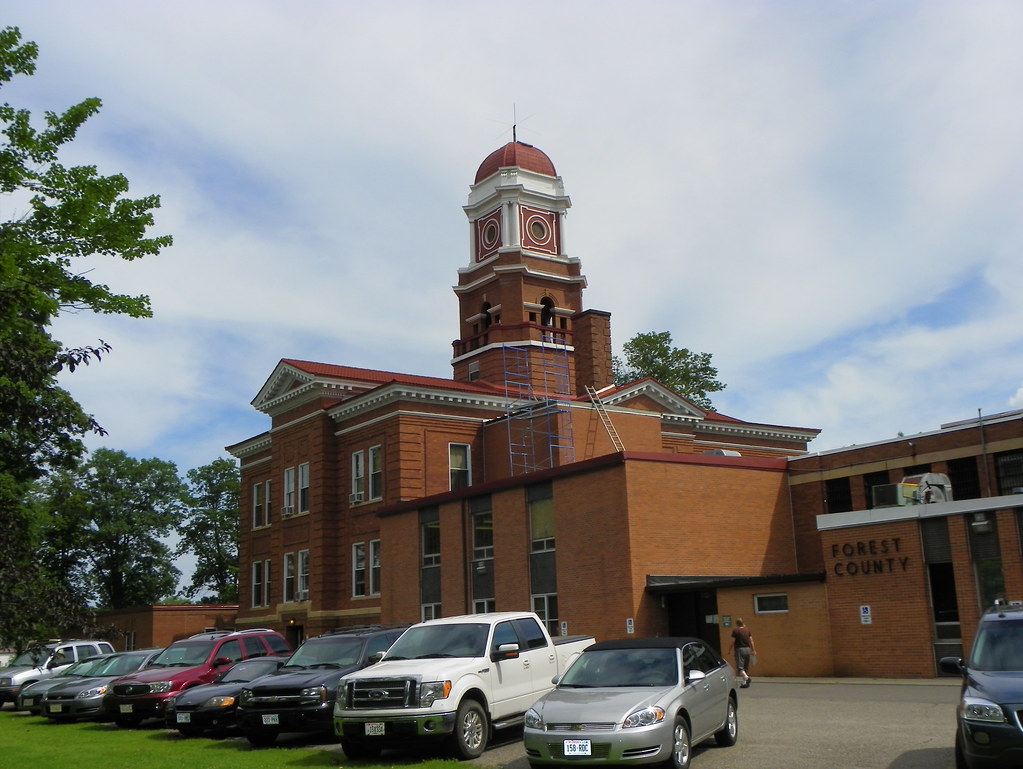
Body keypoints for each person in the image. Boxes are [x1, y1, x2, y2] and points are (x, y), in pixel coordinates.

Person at [728, 618, 756, 688]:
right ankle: (744, 683)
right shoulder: (747, 630)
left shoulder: (735, 630)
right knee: (745, 667)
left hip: (739, 649)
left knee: (740, 668)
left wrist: (729, 650)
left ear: (737, 624)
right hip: (747, 649)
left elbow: (732, 642)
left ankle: (747, 678)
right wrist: (753, 650)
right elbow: (751, 641)